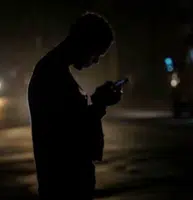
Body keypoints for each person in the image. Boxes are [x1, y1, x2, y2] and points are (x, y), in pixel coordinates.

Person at [28, 12, 123, 200]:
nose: (95, 61)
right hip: (64, 186)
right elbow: (69, 134)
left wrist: (96, 102)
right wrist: (99, 104)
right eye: (97, 54)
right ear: (86, 43)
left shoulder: (53, 71)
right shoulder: (52, 75)